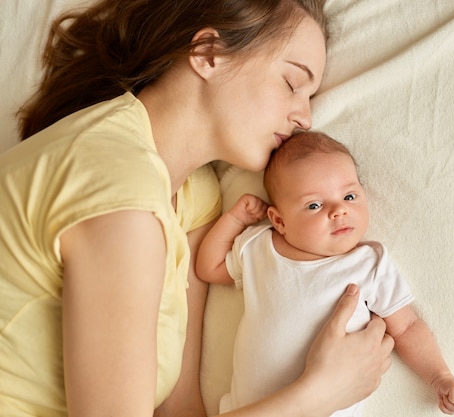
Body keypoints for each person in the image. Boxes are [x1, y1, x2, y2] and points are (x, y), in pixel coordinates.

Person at [0, 1, 396, 417]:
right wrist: (316, 395)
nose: (305, 116)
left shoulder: (195, 196)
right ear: (208, 55)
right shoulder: (116, 187)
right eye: (292, 83)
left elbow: (179, 408)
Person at [196, 131, 454, 416]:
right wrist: (234, 220)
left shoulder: (368, 264)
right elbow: (209, 268)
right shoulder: (259, 246)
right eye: (314, 205)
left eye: (349, 196)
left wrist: (439, 376)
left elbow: (406, 327)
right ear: (279, 221)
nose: (339, 210)